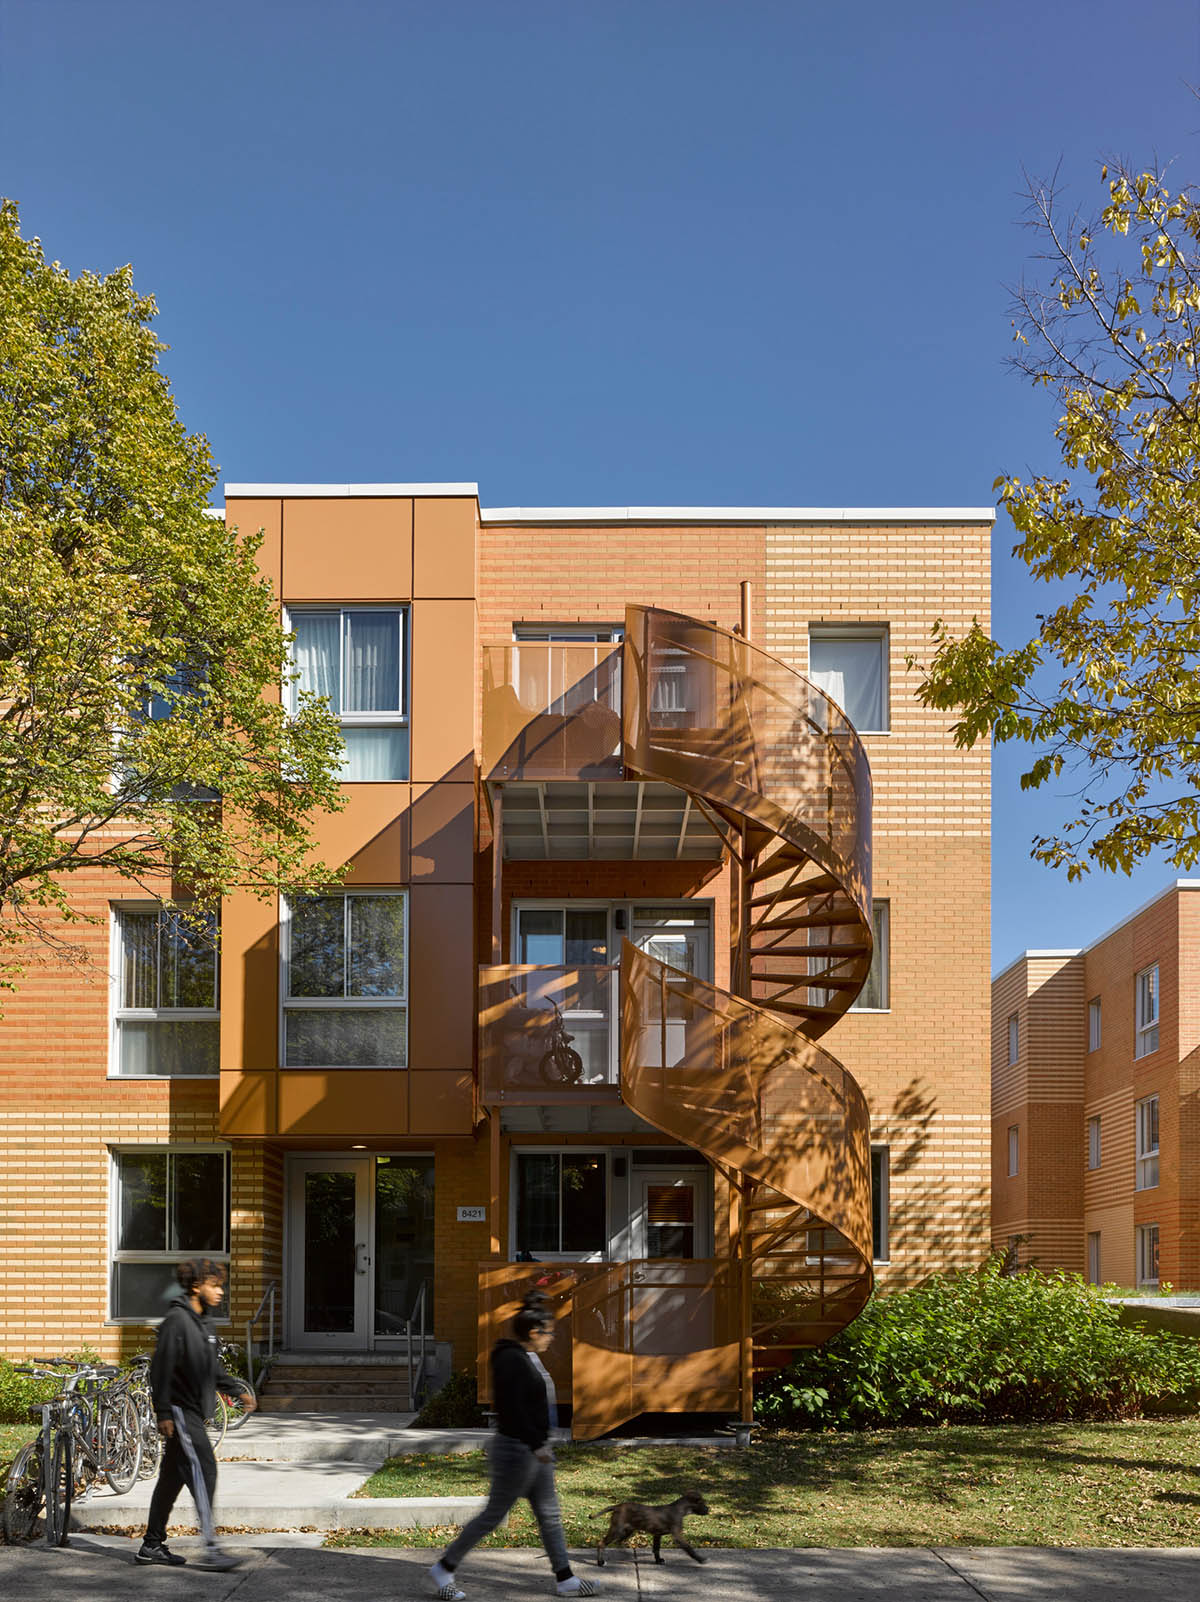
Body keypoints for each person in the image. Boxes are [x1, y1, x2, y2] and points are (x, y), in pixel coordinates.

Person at [428, 1295, 596, 1599]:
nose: (551, 1338)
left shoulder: (527, 1356)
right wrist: (536, 1444)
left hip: (535, 1450)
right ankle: (443, 1569)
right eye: (549, 1332)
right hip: (517, 1450)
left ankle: (565, 1579)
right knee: (493, 1515)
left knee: (549, 1515)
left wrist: (542, 1444)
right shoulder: (511, 1359)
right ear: (533, 1332)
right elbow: (512, 1410)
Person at [136, 1257, 257, 1570]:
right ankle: (211, 1549)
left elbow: (210, 1368)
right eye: (214, 1285)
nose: (220, 1292)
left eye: (221, 1286)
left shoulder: (204, 1322)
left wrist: (236, 1390)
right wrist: (163, 1411)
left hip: (192, 1411)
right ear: (195, 1286)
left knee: (171, 1479)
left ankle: (151, 1545)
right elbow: (160, 1369)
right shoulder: (176, 1321)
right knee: (205, 1470)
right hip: (180, 1410)